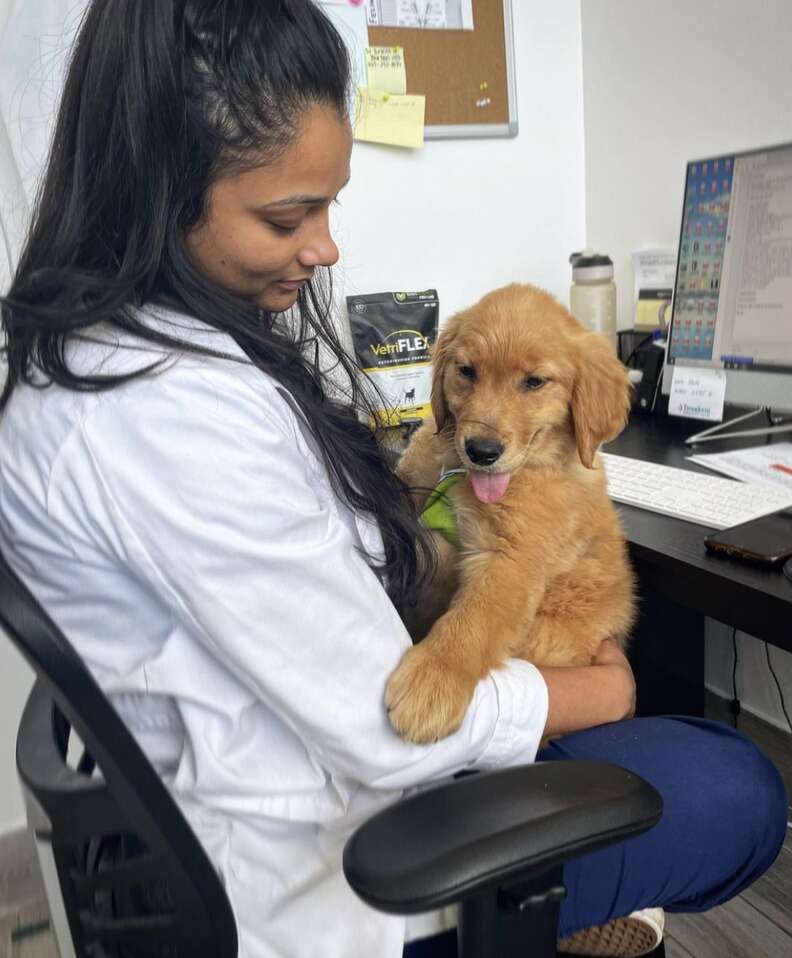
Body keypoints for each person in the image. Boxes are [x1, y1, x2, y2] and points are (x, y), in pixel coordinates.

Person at [0, 2, 785, 957]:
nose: (326, 244)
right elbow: (392, 721)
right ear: (156, 189)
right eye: (289, 214)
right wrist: (599, 693)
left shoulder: (137, 358)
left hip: (305, 770)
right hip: (351, 863)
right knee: (737, 784)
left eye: (329, 204)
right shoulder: (159, 419)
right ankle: (535, 904)